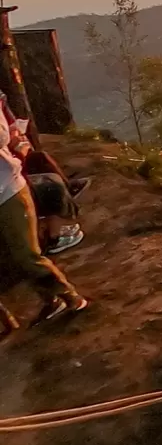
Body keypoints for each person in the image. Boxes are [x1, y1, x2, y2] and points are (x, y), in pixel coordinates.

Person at [0, 96, 87, 341]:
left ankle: (71, 297)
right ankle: (50, 300)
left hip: (8, 190)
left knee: (27, 255)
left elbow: (3, 138)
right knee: (14, 256)